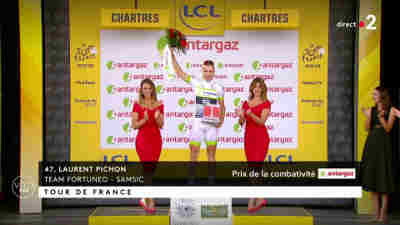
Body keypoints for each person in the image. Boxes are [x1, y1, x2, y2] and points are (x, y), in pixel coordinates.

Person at [170, 50, 225, 163]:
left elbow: (223, 106)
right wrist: (171, 55)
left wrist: (221, 120)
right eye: (205, 71)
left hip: (211, 124)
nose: (208, 73)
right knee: (194, 152)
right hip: (198, 123)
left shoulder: (218, 87)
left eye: (210, 71)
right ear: (202, 70)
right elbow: (180, 73)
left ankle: (211, 180)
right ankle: (192, 179)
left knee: (211, 154)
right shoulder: (196, 82)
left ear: (214, 72)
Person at [360, 86, 396, 223]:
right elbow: (366, 128)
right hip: (371, 145)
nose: (373, 96)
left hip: (383, 147)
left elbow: (387, 129)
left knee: (383, 182)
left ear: (382, 95)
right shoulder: (372, 109)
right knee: (372, 181)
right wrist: (369, 116)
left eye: (375, 94)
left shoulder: (392, 110)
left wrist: (381, 117)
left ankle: (383, 216)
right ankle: (375, 215)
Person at [236, 77, 271, 213]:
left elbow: (262, 122)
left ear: (262, 89)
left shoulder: (266, 103)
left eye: (259, 86)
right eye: (255, 86)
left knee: (256, 167)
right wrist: (241, 115)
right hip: (249, 138)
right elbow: (241, 122)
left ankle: (257, 198)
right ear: (252, 88)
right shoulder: (246, 103)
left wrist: (250, 113)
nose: (257, 89)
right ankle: (254, 198)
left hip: (261, 138)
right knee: (252, 169)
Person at [131, 78, 164, 213]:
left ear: (153, 89)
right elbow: (134, 125)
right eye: (145, 88)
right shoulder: (137, 104)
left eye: (150, 88)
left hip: (156, 141)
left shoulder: (159, 104)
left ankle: (145, 197)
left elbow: (161, 125)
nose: (148, 91)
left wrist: (157, 118)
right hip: (143, 141)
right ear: (141, 90)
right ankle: (149, 200)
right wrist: (144, 119)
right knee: (147, 170)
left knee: (150, 172)